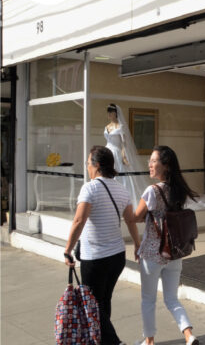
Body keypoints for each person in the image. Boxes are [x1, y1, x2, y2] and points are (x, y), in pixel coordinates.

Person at [64, 146, 140, 345]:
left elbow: (79, 220)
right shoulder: (121, 189)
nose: (87, 167)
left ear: (97, 165)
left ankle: (114, 342)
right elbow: (130, 220)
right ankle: (101, 340)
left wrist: (67, 250)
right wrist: (137, 244)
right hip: (117, 257)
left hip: (96, 258)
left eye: (88, 163)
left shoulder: (90, 188)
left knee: (93, 304)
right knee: (103, 301)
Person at [127, 145, 199, 345]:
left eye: (153, 161)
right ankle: (189, 335)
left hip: (152, 254)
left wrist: (125, 206)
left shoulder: (152, 191)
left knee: (148, 299)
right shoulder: (178, 190)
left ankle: (149, 341)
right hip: (173, 253)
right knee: (172, 299)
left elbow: (135, 217)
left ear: (165, 165)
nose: (149, 164)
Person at [104, 103, 151, 207]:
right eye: (108, 113)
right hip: (107, 151)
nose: (109, 114)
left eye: (111, 112)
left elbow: (124, 144)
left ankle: (121, 200)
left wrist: (124, 156)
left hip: (116, 153)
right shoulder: (107, 127)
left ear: (116, 113)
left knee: (119, 175)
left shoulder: (121, 127)